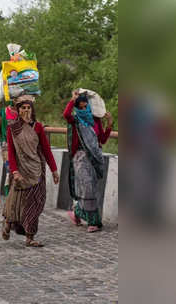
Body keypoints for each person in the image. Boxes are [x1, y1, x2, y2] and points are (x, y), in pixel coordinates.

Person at [2, 95, 60, 247]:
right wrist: (14, 171)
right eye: (23, 108)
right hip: (20, 170)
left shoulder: (38, 127)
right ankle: (8, 222)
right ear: (18, 110)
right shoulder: (12, 128)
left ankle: (30, 236)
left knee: (36, 202)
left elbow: (46, 150)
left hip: (36, 169)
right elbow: (12, 152)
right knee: (17, 202)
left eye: (28, 108)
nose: (26, 110)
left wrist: (54, 170)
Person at [64, 90, 113, 233]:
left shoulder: (95, 121)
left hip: (94, 158)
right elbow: (66, 114)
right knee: (87, 189)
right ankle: (94, 222)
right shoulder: (75, 120)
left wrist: (109, 124)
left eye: (86, 105)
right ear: (77, 106)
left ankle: (77, 212)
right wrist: (72, 100)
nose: (84, 108)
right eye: (80, 106)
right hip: (81, 157)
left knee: (91, 189)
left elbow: (102, 139)